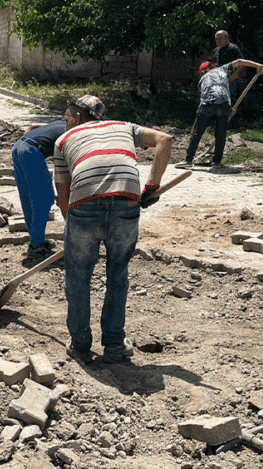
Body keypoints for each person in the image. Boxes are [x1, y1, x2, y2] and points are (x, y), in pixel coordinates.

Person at [54, 95, 172, 364]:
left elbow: (63, 199)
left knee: (78, 276)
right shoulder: (124, 127)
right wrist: (151, 186)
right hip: (125, 203)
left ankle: (81, 344)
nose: (65, 119)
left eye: (68, 114)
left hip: (84, 206)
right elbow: (165, 139)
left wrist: (73, 230)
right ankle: (114, 345)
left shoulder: (63, 141)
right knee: (118, 274)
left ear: (82, 117)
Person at [175, 59, 263, 170]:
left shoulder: (202, 79)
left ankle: (188, 160)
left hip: (207, 104)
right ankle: (216, 162)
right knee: (221, 135)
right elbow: (240, 61)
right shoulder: (222, 69)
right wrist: (258, 65)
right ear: (213, 67)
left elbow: (208, 94)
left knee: (197, 133)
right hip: (224, 105)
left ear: (201, 73)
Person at [12, 120, 67, 260]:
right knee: (44, 199)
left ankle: (37, 241)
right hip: (32, 152)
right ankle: (37, 247)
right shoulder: (75, 132)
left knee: (29, 198)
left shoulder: (62, 123)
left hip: (19, 146)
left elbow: (33, 126)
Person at [211, 30, 244, 96]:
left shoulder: (233, 49)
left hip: (230, 81)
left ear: (226, 38)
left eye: (220, 38)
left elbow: (241, 63)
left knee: (228, 101)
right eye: (216, 39)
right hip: (218, 82)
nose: (218, 41)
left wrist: (234, 76)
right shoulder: (216, 51)